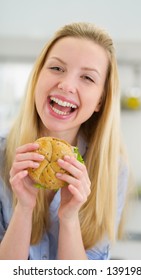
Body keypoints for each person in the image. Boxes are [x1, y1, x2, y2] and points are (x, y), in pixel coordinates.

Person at [0, 22, 129, 260]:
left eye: (88, 78)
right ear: (38, 76)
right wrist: (24, 209)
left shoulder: (111, 169)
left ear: (100, 100)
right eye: (57, 68)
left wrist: (69, 219)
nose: (67, 85)